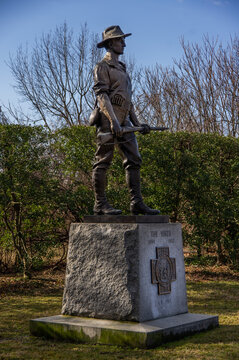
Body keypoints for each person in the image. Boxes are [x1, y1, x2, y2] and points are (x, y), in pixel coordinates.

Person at [92, 25, 160, 216]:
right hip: (108, 120)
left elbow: (128, 100)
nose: (124, 43)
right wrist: (113, 121)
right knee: (103, 160)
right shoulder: (102, 67)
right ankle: (100, 205)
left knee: (134, 159)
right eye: (120, 40)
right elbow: (102, 96)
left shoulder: (122, 68)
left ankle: (136, 203)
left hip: (124, 121)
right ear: (110, 43)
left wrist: (138, 124)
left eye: (123, 39)